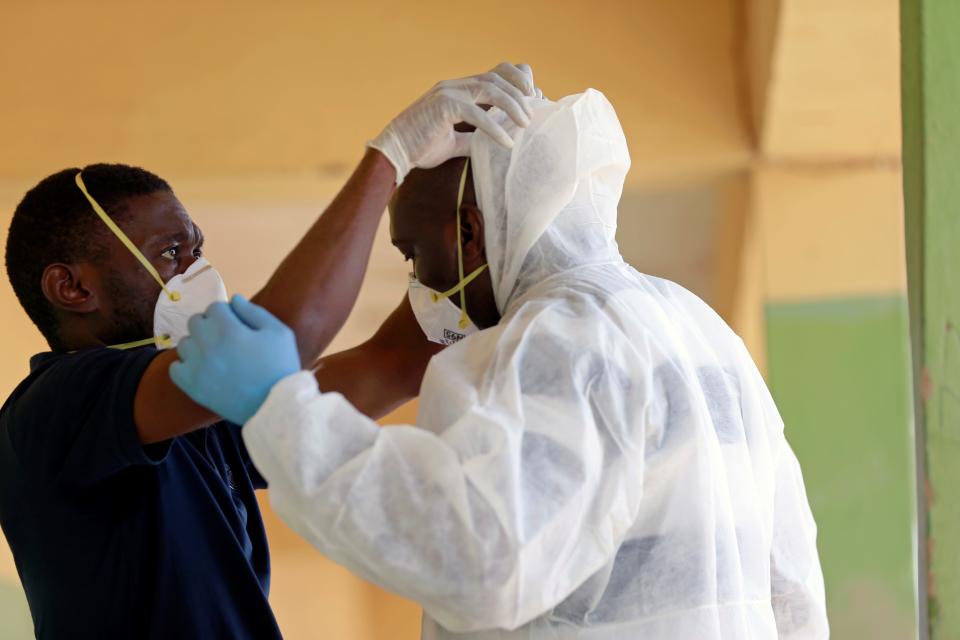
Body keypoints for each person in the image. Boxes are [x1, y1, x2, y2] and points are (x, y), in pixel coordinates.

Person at [171, 90, 830, 639]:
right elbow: (793, 585)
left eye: (412, 253)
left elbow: (483, 557)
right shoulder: (699, 328)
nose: (418, 285)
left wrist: (280, 409)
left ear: (469, 232)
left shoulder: (561, 335)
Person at [0, 63, 537, 639]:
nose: (197, 269)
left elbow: (392, 364)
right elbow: (281, 340)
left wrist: (481, 227)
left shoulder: (191, 420)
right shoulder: (55, 407)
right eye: (172, 251)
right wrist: (390, 159)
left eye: (196, 247)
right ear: (73, 288)